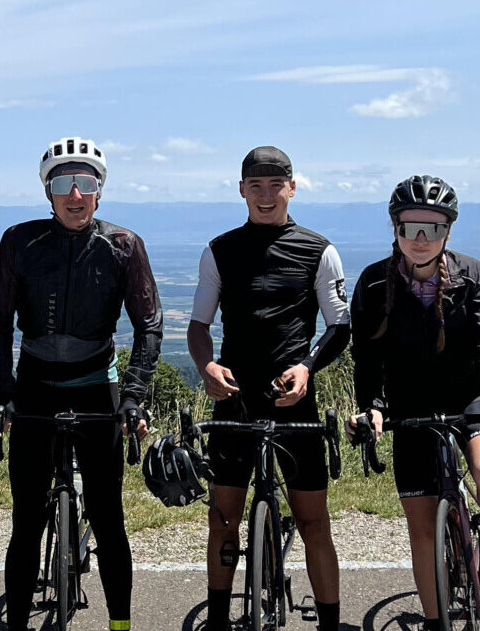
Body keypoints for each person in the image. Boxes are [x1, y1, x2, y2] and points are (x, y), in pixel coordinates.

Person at [0, 137, 163, 631]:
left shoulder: (123, 245)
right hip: (34, 388)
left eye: (87, 183)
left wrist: (132, 399)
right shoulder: (19, 241)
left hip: (94, 386)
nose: (76, 194)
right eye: (65, 183)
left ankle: (120, 624)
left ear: (100, 191)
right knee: (26, 524)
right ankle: (17, 622)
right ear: (49, 192)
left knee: (108, 518)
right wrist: (2, 395)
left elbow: (149, 325)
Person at [347, 175, 480, 631]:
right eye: (411, 228)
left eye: (432, 228)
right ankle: (434, 622)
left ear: (448, 231)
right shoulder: (373, 283)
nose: (421, 239)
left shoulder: (473, 275)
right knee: (422, 527)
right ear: (395, 230)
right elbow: (367, 356)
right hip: (408, 407)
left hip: (469, 396)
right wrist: (371, 406)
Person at [186, 146, 351, 631]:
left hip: (295, 399)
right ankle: (218, 620)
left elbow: (339, 326)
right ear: (241, 190)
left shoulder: (319, 250)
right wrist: (206, 367)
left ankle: (328, 624)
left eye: (275, 185)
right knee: (223, 520)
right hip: (234, 397)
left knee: (314, 523)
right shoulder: (219, 250)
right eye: (255, 186)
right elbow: (199, 325)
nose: (265, 195)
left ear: (293, 188)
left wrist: (307, 367)